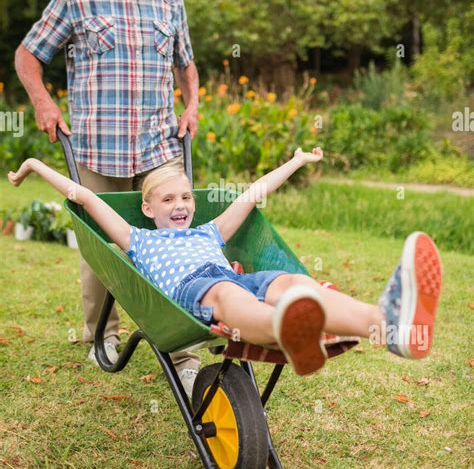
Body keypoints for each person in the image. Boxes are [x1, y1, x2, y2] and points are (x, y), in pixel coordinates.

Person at [7, 145, 443, 376]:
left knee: (292, 283)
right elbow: (82, 195)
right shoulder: (137, 239)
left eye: (185, 197)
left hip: (233, 280)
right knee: (227, 297)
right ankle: (288, 332)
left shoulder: (208, 231)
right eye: (168, 199)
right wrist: (32, 164)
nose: (181, 205)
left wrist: (295, 162)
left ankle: (387, 325)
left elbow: (253, 194)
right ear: (147, 208)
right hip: (195, 293)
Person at [13, 0, 201, 396]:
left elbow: (186, 63)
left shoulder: (171, 2)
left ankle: (184, 350)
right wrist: (44, 104)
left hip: (160, 148)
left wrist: (192, 106)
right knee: (100, 250)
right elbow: (28, 55)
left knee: (176, 240)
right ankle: (104, 337)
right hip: (97, 149)